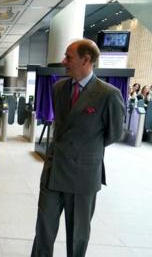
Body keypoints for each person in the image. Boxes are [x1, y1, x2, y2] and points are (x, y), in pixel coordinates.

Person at [31, 39, 125, 257]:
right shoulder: (59, 87)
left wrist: (84, 151)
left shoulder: (108, 94)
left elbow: (114, 134)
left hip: (83, 175)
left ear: (86, 60)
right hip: (53, 171)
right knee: (43, 230)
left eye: (69, 57)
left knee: (77, 235)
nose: (64, 61)